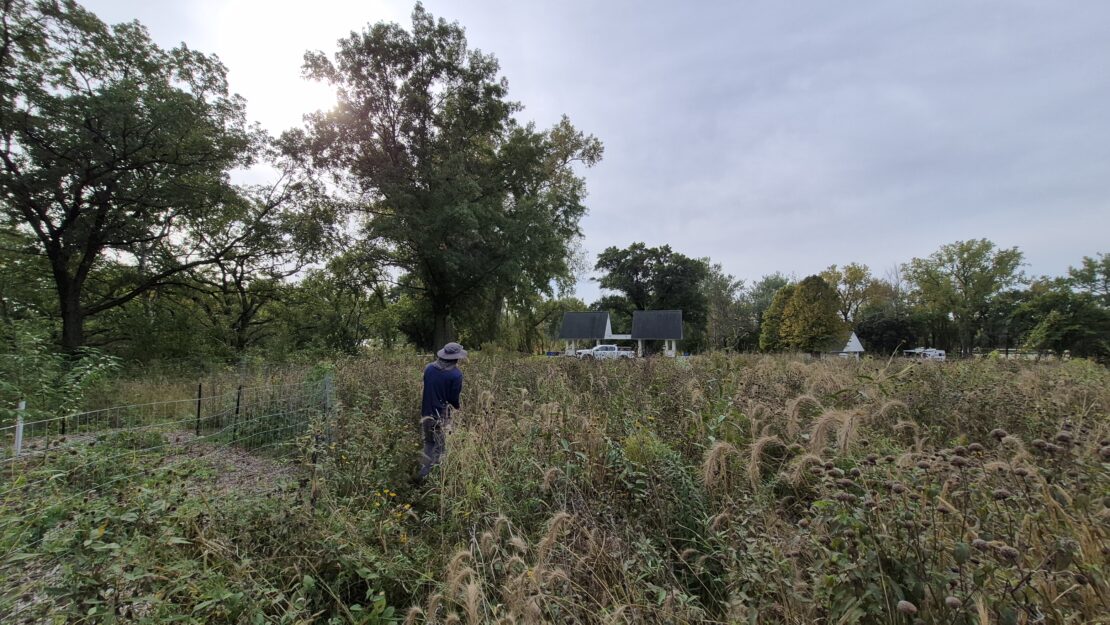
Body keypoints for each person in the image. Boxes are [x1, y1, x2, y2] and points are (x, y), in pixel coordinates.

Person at [417, 341, 467, 480]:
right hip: (442, 416)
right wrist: (458, 407)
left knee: (428, 444)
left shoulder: (428, 368)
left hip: (426, 413)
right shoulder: (456, 374)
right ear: (455, 357)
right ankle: (436, 480)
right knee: (441, 447)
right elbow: (453, 398)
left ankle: (423, 475)